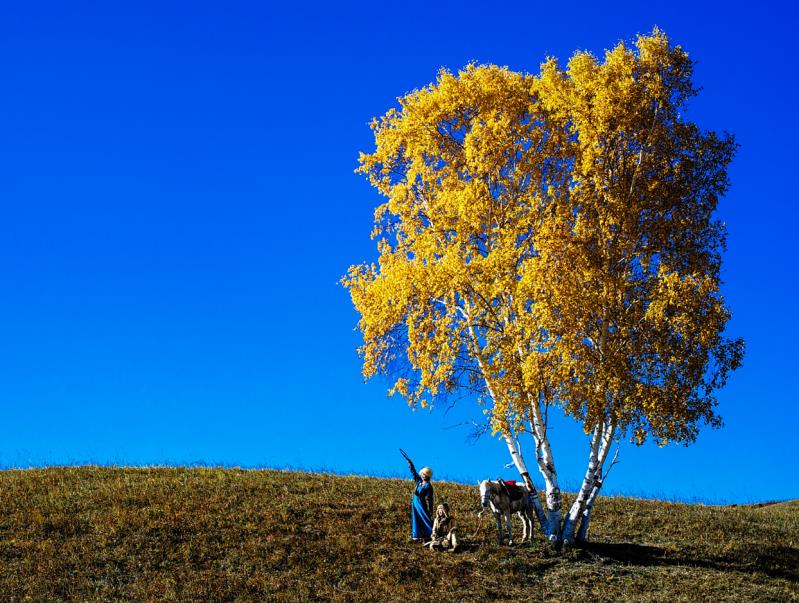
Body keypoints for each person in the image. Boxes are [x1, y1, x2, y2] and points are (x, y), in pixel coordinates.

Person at [404, 455, 434, 542]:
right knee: (416, 517)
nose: (422, 475)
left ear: (426, 476)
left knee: (424, 517)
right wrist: (411, 465)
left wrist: (430, 509)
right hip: (415, 502)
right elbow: (414, 473)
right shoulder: (419, 482)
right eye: (422, 474)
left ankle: (430, 533)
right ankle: (417, 535)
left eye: (424, 475)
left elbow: (430, 498)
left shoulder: (428, 486)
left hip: (421, 503)